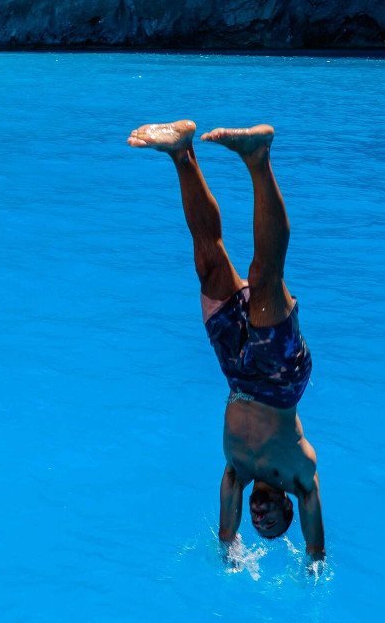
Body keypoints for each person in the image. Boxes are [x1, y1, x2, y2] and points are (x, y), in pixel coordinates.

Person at [127, 120, 325, 562]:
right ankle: (259, 157)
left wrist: (230, 551)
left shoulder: (237, 472)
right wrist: (314, 561)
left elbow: (226, 533)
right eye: (271, 522)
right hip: (278, 380)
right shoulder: (300, 474)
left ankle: (181, 151)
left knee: (209, 263)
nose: (260, 518)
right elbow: (315, 539)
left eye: (257, 524)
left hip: (235, 371)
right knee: (264, 277)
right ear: (288, 508)